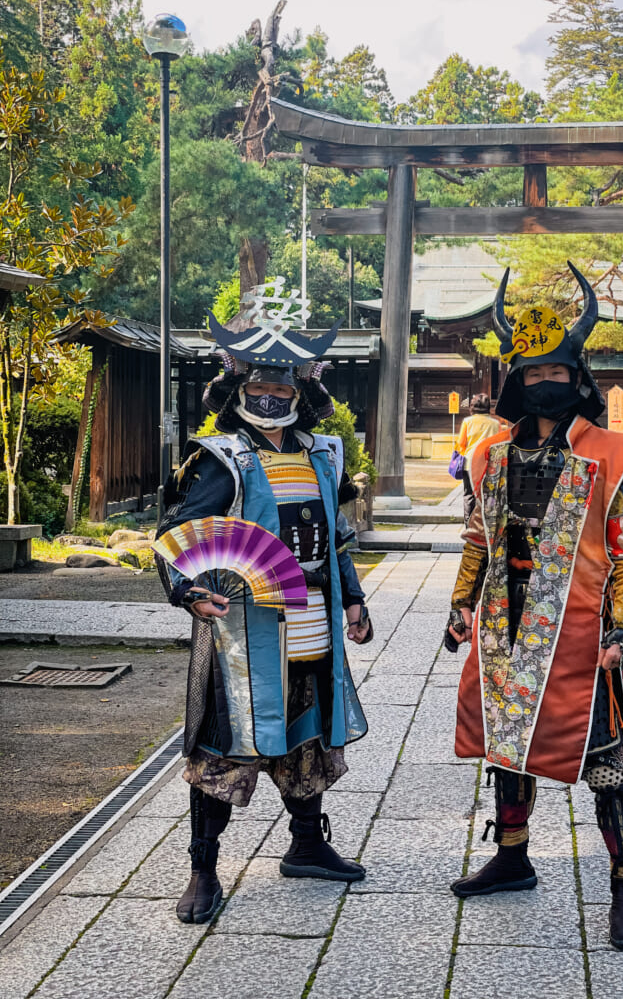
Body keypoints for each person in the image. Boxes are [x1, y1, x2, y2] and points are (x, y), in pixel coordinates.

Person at [445, 264, 623, 951]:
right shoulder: (491, 453)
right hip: (506, 626)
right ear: (516, 379)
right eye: (533, 374)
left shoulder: (615, 455)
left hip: (581, 630)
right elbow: (478, 535)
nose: (546, 384)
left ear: (578, 375)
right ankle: (512, 857)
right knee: (507, 748)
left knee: (607, 761)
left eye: (558, 372)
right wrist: (459, 604)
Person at [158, 280, 373, 925]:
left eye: (285, 387)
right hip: (241, 630)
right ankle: (202, 869)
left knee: (306, 731)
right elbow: (174, 539)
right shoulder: (220, 460)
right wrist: (188, 591)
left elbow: (335, 538)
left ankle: (307, 845)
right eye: (260, 386)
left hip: (310, 617)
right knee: (227, 744)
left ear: (303, 391)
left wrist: (355, 600)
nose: (273, 396)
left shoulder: (321, 456)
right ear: (237, 389)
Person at [455, 394, 501, 523]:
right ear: (488, 408)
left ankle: (469, 525)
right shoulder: (495, 424)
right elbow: (498, 445)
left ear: (472, 407)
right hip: (489, 464)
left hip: (470, 462)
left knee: (469, 495)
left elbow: (461, 443)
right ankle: (485, 526)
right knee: (488, 496)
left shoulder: (467, 422)